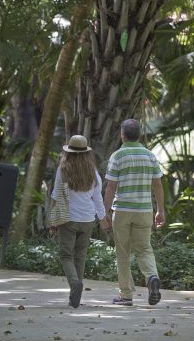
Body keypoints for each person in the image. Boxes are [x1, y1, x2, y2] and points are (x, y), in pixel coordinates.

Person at [103, 119, 165, 306]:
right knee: (144, 249)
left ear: (122, 134)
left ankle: (126, 295)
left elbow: (111, 186)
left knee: (123, 253)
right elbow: (158, 185)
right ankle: (152, 276)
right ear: (139, 134)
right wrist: (160, 210)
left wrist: (104, 212)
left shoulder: (118, 156)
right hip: (144, 210)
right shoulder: (149, 156)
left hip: (122, 210)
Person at [50, 135, 109, 308]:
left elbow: (55, 195)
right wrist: (103, 218)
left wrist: (53, 220)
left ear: (68, 152)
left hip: (68, 219)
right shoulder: (93, 172)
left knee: (66, 255)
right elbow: (98, 199)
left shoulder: (63, 169)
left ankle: (75, 285)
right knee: (80, 257)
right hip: (88, 220)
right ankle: (74, 296)